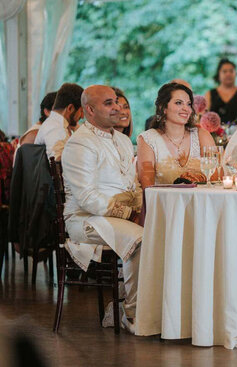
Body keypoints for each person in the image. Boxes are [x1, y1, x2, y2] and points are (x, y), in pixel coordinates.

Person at [60, 85, 143, 332]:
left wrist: (139, 206)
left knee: (166, 232)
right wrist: (129, 213)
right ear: (89, 110)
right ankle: (131, 314)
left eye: (117, 101)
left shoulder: (123, 140)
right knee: (141, 240)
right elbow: (86, 197)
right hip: (86, 219)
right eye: (109, 103)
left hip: (119, 217)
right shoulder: (80, 143)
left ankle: (154, 308)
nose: (117, 107)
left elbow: (133, 184)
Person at [137, 82, 215, 187]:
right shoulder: (148, 139)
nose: (186, 109)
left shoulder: (202, 135)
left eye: (188, 104)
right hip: (164, 202)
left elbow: (217, 179)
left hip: (201, 200)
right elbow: (147, 186)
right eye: (179, 103)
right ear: (163, 107)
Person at [35, 83, 84, 160]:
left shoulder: (54, 123)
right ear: (70, 108)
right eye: (81, 111)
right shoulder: (56, 128)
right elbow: (57, 164)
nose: (82, 116)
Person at [204, 58, 237, 124]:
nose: (228, 74)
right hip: (214, 133)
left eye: (231, 71)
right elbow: (203, 120)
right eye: (224, 71)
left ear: (235, 73)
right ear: (218, 74)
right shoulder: (209, 94)